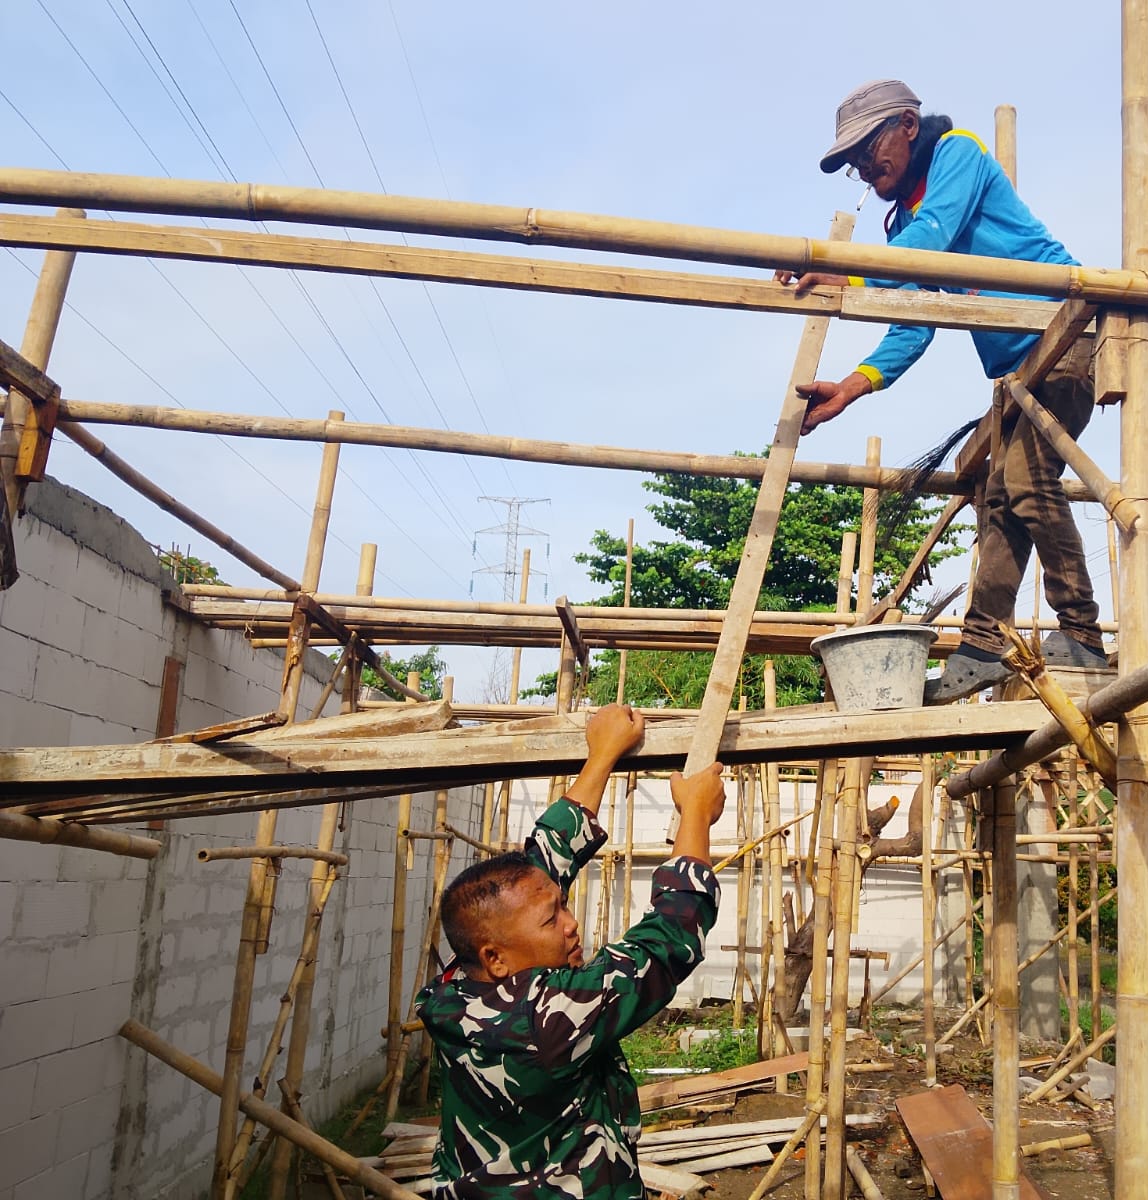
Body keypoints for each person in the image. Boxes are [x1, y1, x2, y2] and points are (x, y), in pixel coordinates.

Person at [778, 78, 1108, 703]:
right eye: (855, 168)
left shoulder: (958, 153)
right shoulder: (904, 221)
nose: (868, 173)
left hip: (1063, 339)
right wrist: (853, 386)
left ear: (907, 126)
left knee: (1031, 482)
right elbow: (915, 319)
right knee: (1000, 498)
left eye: (871, 154)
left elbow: (929, 242)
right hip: (1015, 375)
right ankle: (984, 643)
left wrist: (843, 267)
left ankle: (1083, 633)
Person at [416, 702, 726, 1199]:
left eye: (563, 907)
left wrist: (601, 755)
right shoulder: (548, 1020)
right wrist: (696, 815)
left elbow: (535, 871)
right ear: (496, 957)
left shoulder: (456, 988)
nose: (571, 923)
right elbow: (670, 939)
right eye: (552, 919)